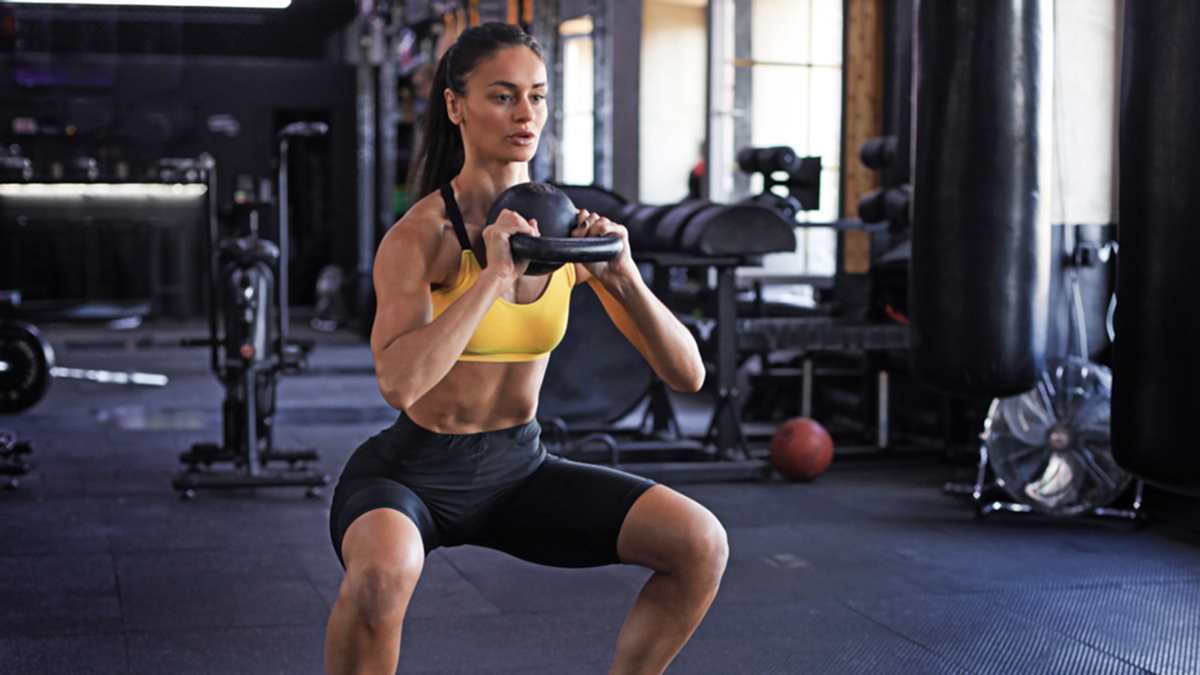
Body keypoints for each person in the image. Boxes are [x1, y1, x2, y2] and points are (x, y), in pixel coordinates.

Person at [325, 22, 728, 675]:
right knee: (380, 574)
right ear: (456, 105)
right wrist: (492, 277)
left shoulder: (565, 229)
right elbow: (399, 382)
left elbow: (687, 372)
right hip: (412, 473)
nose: (526, 115)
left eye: (537, 96)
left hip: (519, 469)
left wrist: (623, 274)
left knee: (700, 542)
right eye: (503, 96)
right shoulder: (420, 236)